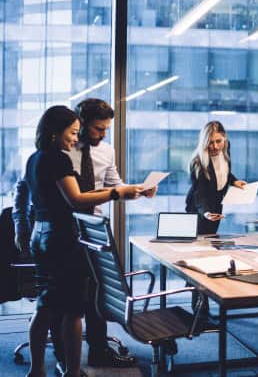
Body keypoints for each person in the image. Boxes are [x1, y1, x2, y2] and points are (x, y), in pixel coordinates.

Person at [13, 98, 156, 371]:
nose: (101, 135)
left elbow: (94, 190)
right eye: (83, 131)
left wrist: (133, 190)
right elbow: (76, 199)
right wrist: (115, 194)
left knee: (54, 303)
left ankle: (43, 369)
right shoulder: (60, 157)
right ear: (65, 129)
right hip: (65, 237)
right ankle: (69, 366)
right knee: (72, 309)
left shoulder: (37, 156)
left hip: (65, 233)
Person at [185, 120, 246, 234]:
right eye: (210, 142)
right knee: (199, 244)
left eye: (219, 141)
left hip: (216, 204)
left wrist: (233, 181)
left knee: (212, 239)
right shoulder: (198, 163)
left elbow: (222, 170)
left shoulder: (226, 147)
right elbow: (199, 193)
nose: (215, 146)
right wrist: (205, 212)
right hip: (199, 209)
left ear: (224, 137)